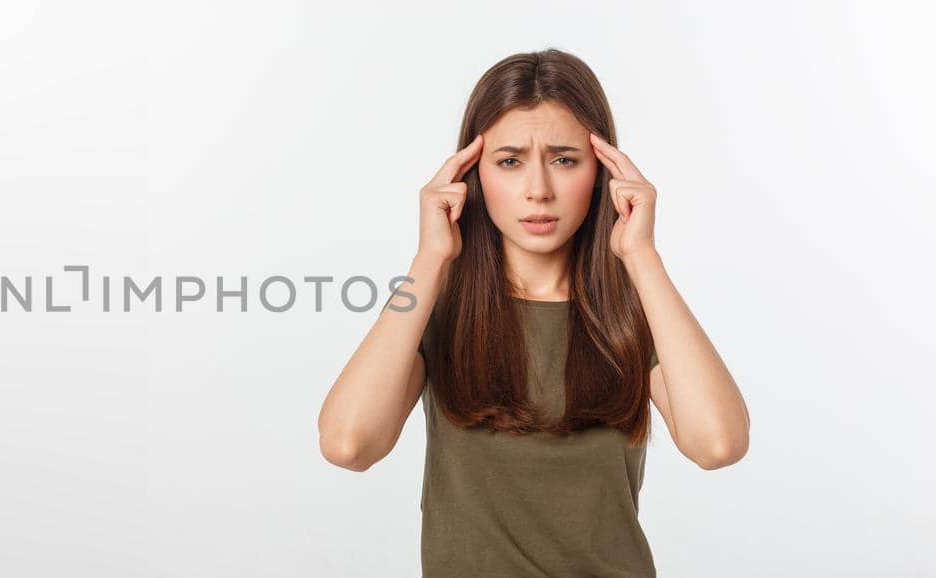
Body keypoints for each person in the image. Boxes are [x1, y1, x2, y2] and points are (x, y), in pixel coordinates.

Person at [315, 48, 751, 577]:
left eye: (565, 159)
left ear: (603, 173)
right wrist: (429, 257)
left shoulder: (632, 314)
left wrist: (641, 255)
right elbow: (348, 444)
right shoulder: (435, 305)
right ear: (472, 175)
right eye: (510, 161)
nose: (539, 190)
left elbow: (718, 444)